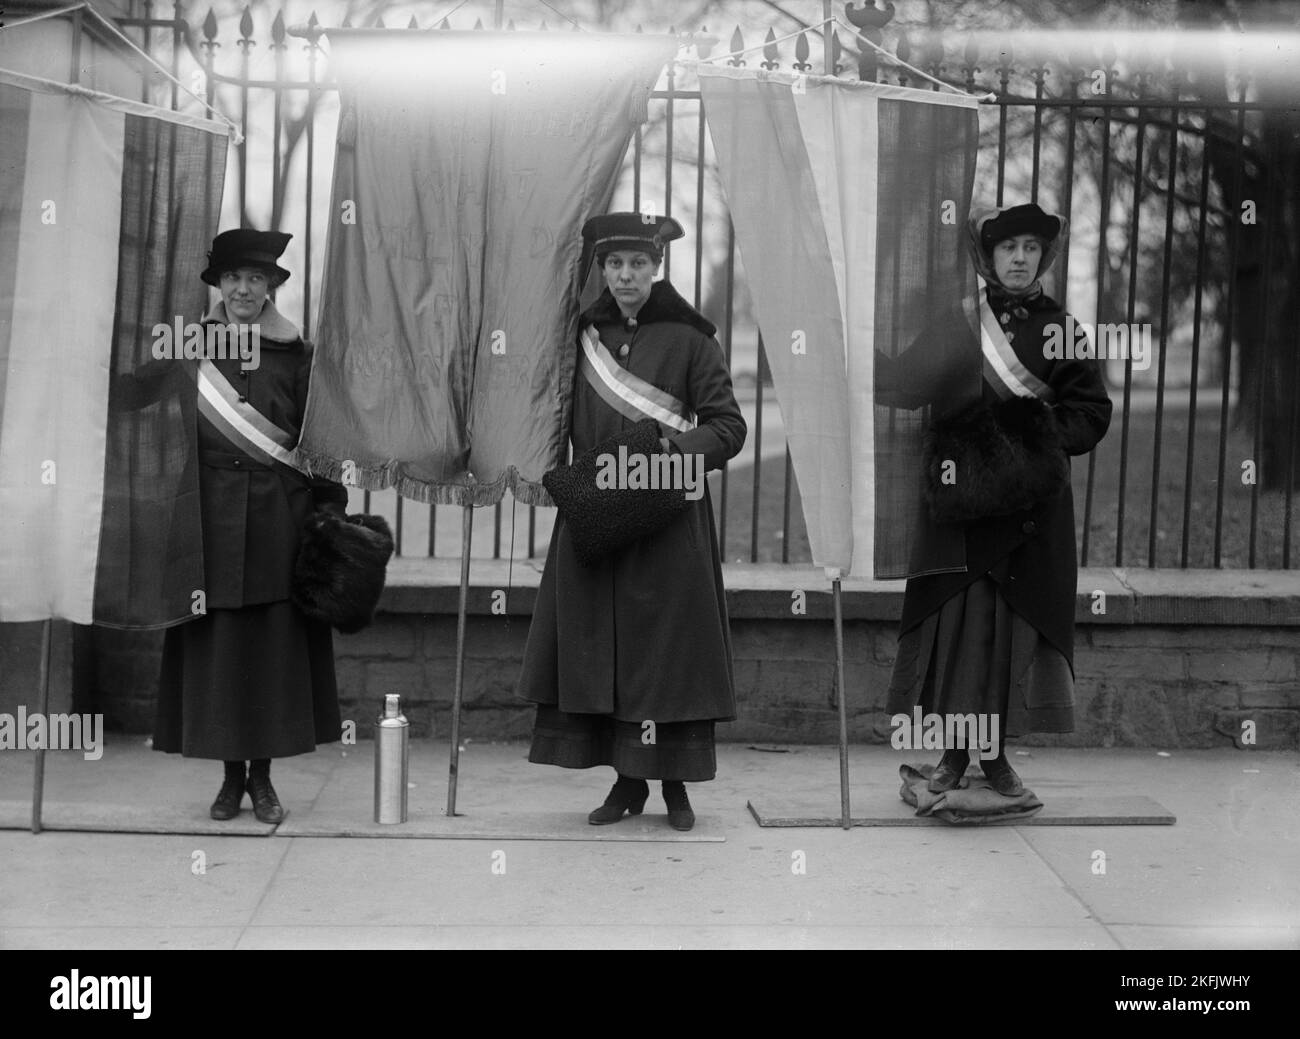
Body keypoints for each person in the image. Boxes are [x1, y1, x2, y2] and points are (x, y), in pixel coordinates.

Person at [517, 213, 747, 830]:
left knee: (667, 655)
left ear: (657, 267)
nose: (625, 275)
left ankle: (675, 786)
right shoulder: (578, 337)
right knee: (609, 652)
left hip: (670, 519)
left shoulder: (693, 340)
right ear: (602, 269)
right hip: (596, 517)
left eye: (638, 264)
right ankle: (626, 783)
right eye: (615, 264)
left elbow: (729, 428)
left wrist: (666, 456)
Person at [878, 203, 1112, 796]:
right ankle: (955, 758)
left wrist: (1030, 441)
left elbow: (1091, 413)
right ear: (988, 256)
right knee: (962, 630)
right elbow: (907, 386)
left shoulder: (1062, 329)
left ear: (1044, 257)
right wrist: (851, 347)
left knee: (1009, 631)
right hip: (962, 505)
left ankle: (998, 758)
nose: (1019, 258)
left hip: (1028, 511)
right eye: (1008, 248)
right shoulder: (958, 321)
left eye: (1031, 248)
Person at [147, 229, 349, 822]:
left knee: (269, 651)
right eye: (233, 278)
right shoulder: (188, 346)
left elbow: (321, 444)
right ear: (217, 285)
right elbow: (135, 394)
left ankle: (262, 779)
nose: (243, 289)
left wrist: (328, 517)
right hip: (206, 515)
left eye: (255, 279)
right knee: (219, 650)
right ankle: (227, 777)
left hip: (277, 519)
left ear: (271, 289)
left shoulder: (299, 355)